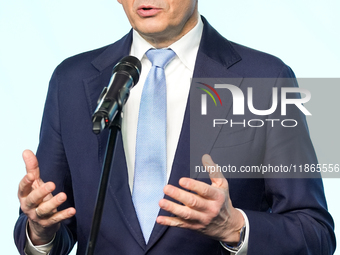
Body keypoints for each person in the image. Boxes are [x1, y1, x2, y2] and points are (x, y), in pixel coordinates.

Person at [14, 0, 336, 254]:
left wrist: (235, 227)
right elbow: (51, 229)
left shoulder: (266, 78)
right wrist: (40, 231)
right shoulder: (71, 80)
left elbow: (315, 232)